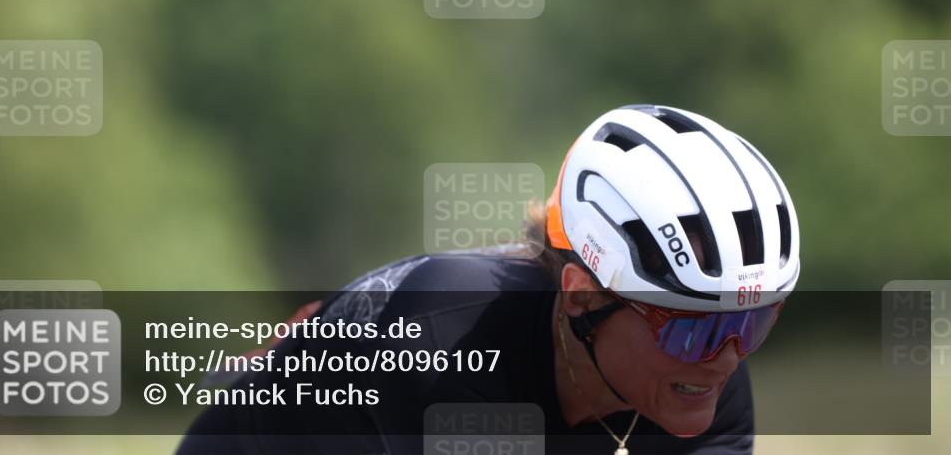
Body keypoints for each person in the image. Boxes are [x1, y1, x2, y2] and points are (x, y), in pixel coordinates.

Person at [177, 104, 800, 454]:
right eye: (689, 330)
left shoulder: (708, 380)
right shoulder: (451, 343)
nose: (724, 357)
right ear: (583, 297)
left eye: (751, 322)